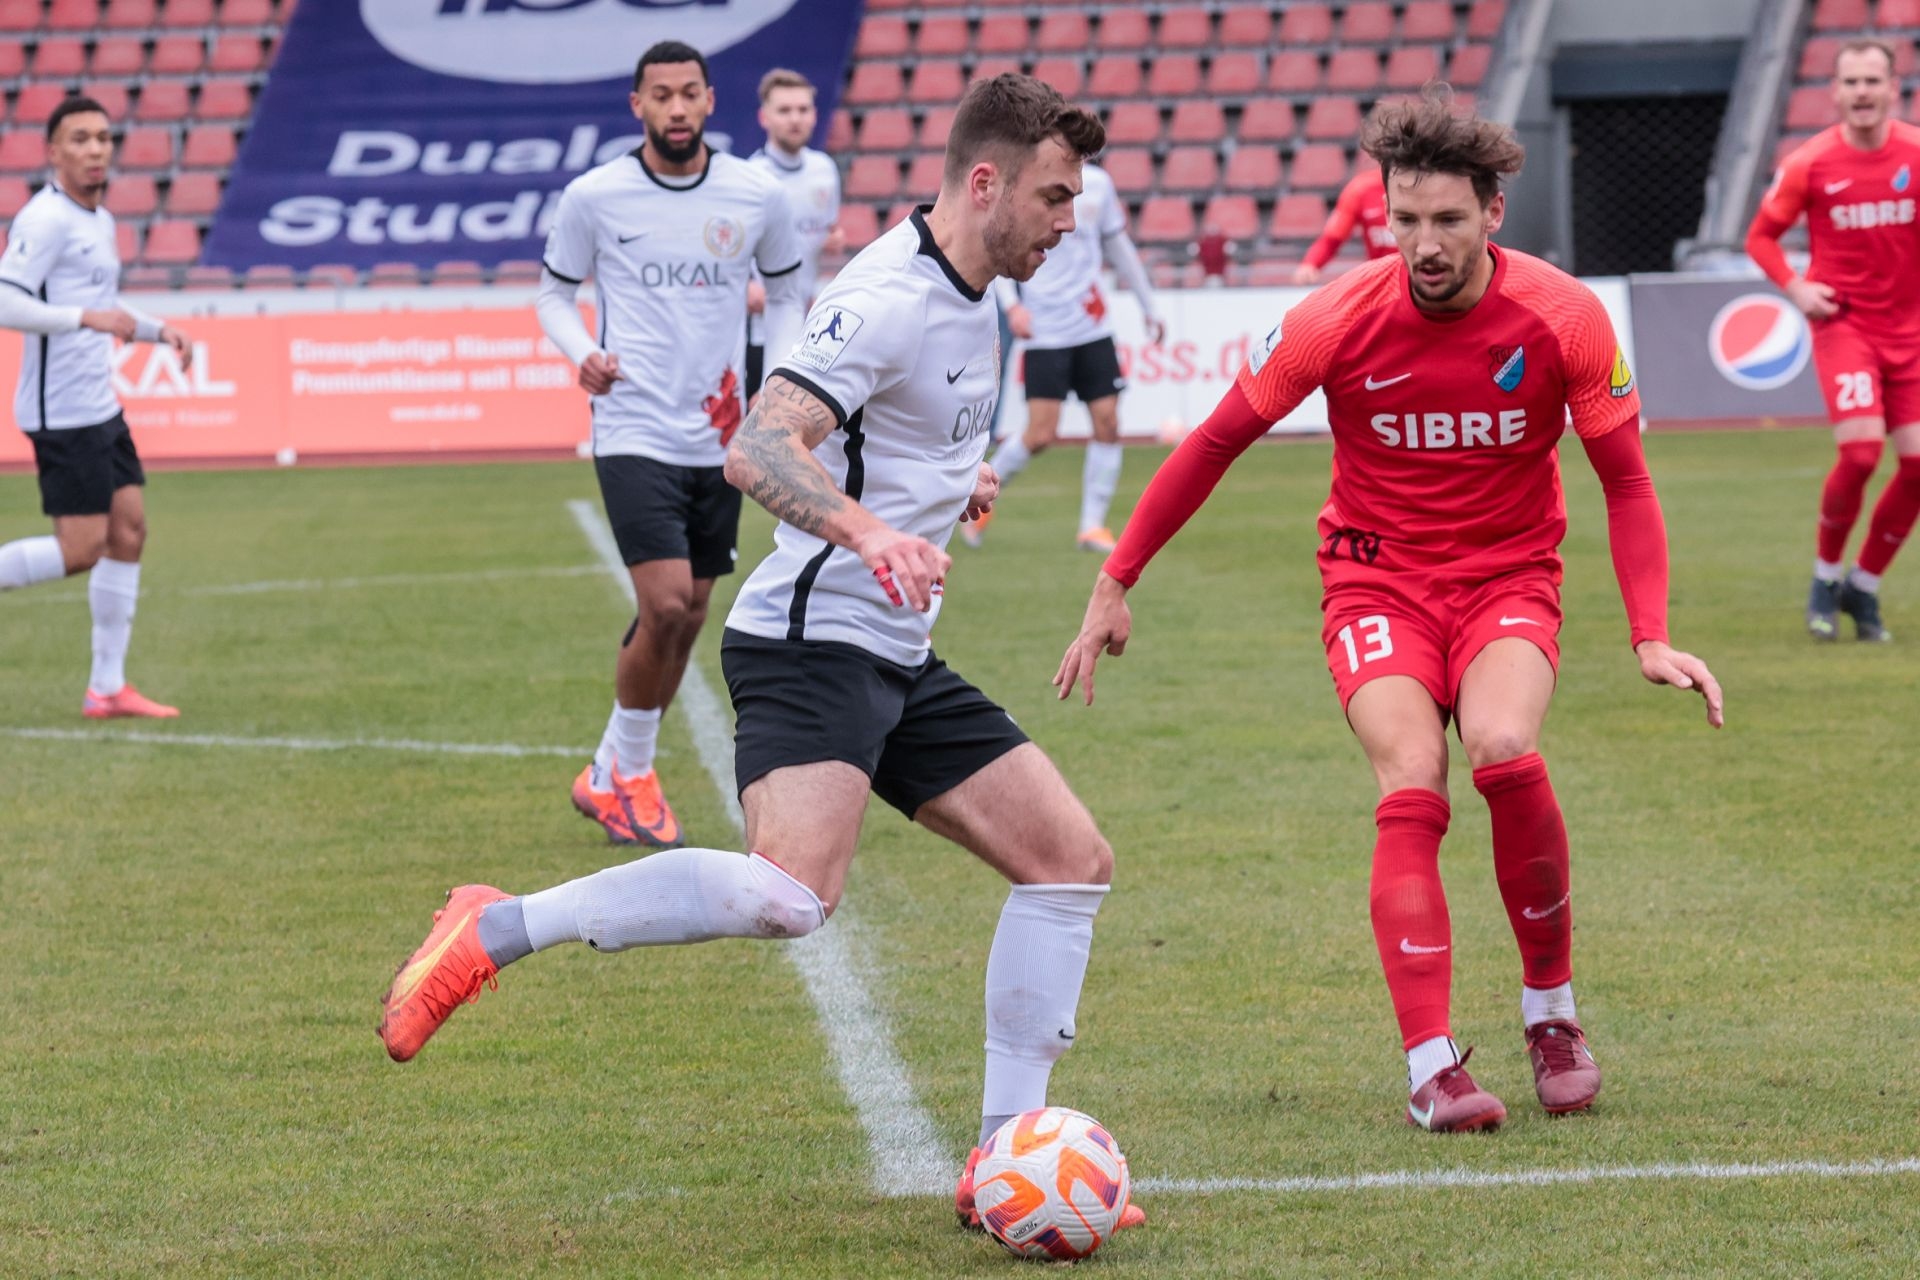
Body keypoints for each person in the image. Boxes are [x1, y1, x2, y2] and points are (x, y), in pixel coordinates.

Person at [381, 72, 1144, 1235]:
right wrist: (872, 530)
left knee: (1069, 861)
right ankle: (495, 924)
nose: (1067, 219)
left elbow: (891, 434)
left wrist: (955, 481)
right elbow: (758, 449)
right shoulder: (885, 294)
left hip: (894, 649)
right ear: (986, 182)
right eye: (1053, 195)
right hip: (811, 639)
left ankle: (1003, 1160)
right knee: (792, 896)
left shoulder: (975, 290)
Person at [1057, 91, 1723, 1133]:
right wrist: (1118, 577)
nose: (1424, 244)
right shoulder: (1333, 318)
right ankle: (1431, 1068)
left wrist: (1651, 633)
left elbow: (1628, 482)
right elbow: (1214, 442)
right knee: (1412, 774)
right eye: (1404, 220)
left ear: (1493, 212)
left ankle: (1552, 1016)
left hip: (1508, 577)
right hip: (1377, 584)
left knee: (1504, 746)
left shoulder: (1565, 318)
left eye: (1447, 220)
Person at [537, 41, 806, 849]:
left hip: (721, 433)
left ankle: (607, 771)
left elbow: (787, 292)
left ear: (711, 100)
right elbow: (553, 295)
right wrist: (581, 352)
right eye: (662, 95)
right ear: (638, 106)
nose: (678, 107)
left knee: (689, 613)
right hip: (633, 426)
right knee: (662, 604)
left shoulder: (755, 194)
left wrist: (777, 386)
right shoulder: (595, 197)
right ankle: (633, 774)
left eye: (690, 92)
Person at [0, 96, 192, 719]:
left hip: (99, 405)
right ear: (53, 152)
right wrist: (84, 318)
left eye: (103, 138)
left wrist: (158, 330)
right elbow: (6, 302)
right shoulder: (45, 220)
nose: (95, 150)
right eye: (79, 139)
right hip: (61, 413)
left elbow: (105, 304)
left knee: (128, 532)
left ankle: (106, 689)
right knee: (81, 549)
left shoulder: (100, 220)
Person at [1746, 38, 1920, 642]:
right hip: (1846, 326)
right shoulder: (1812, 163)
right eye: (1851, 82)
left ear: (1893, 89)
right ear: (1835, 92)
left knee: (1918, 466)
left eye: (1872, 81)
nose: (1862, 92)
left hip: (1912, 333)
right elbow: (1761, 237)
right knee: (1862, 454)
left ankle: (1862, 587)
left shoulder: (1916, 154)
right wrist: (1796, 287)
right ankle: (1824, 578)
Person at [965, 159, 1165, 554]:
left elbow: (1119, 248)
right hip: (1045, 329)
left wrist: (1149, 307)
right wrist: (1012, 306)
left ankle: (1092, 526)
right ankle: (981, 491)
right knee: (1040, 434)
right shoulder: (1027, 180)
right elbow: (1000, 246)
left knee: (1108, 422)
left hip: (1093, 325)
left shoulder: (1099, 185)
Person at [743, 68, 843, 400]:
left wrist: (832, 240)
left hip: (808, 329)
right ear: (764, 117)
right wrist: (745, 286)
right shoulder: (750, 179)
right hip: (758, 331)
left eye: (803, 109)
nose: (795, 118)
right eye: (784, 110)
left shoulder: (824, 170)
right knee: (755, 418)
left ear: (814, 115)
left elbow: (826, 230)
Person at [1292, 159, 1395, 285]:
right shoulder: (1361, 189)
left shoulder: (1418, 186)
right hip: (1384, 281)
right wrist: (1311, 263)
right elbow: (1332, 239)